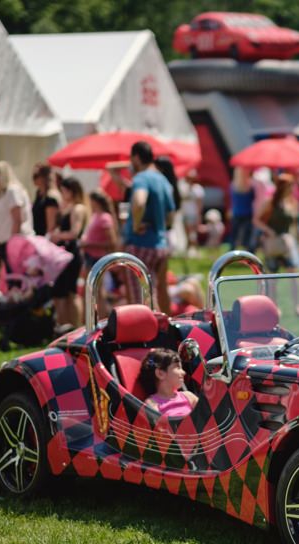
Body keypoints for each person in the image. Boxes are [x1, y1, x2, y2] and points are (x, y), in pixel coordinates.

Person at [124, 141, 175, 314]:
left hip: (141, 244)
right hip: (160, 244)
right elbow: (170, 216)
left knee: (140, 298)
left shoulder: (141, 178)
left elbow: (139, 202)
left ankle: (146, 337)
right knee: (158, 291)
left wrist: (136, 225)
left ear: (137, 157)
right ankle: (165, 330)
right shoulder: (163, 180)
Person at [254, 174, 299, 316]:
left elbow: (294, 225)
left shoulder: (292, 203)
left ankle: (297, 306)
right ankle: (274, 307)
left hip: (287, 244)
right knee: (273, 278)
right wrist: (268, 230)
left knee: (294, 275)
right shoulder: (270, 202)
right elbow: (257, 220)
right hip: (273, 244)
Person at [50, 177, 89, 328]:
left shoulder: (77, 208)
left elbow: (75, 232)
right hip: (63, 253)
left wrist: (57, 235)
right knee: (61, 293)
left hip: (71, 254)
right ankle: (65, 325)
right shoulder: (67, 207)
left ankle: (75, 325)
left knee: (70, 292)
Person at [0, 161, 34, 265]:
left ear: (1, 174)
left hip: (16, 243)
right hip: (8, 243)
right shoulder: (4, 193)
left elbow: (17, 220)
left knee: (14, 277)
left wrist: (13, 246)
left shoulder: (12, 191)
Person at [137, 348, 198, 417]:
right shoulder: (152, 404)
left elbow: (207, 417)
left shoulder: (189, 397)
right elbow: (157, 426)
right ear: (160, 373)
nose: (184, 372)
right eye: (178, 367)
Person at [80, 189, 118, 271]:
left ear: (95, 201)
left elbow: (112, 242)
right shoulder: (95, 215)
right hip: (90, 256)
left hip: (97, 258)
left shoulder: (105, 217)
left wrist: (89, 244)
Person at [229, 167, 256, 251]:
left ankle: (233, 250)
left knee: (235, 235)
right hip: (247, 213)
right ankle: (248, 251)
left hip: (237, 212)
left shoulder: (233, 185)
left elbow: (232, 200)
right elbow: (253, 199)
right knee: (247, 235)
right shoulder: (250, 185)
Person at [31, 162, 60, 236]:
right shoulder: (39, 194)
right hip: (37, 237)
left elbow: (51, 227)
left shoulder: (51, 197)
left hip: (44, 240)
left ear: (44, 177)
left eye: (36, 176)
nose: (33, 179)